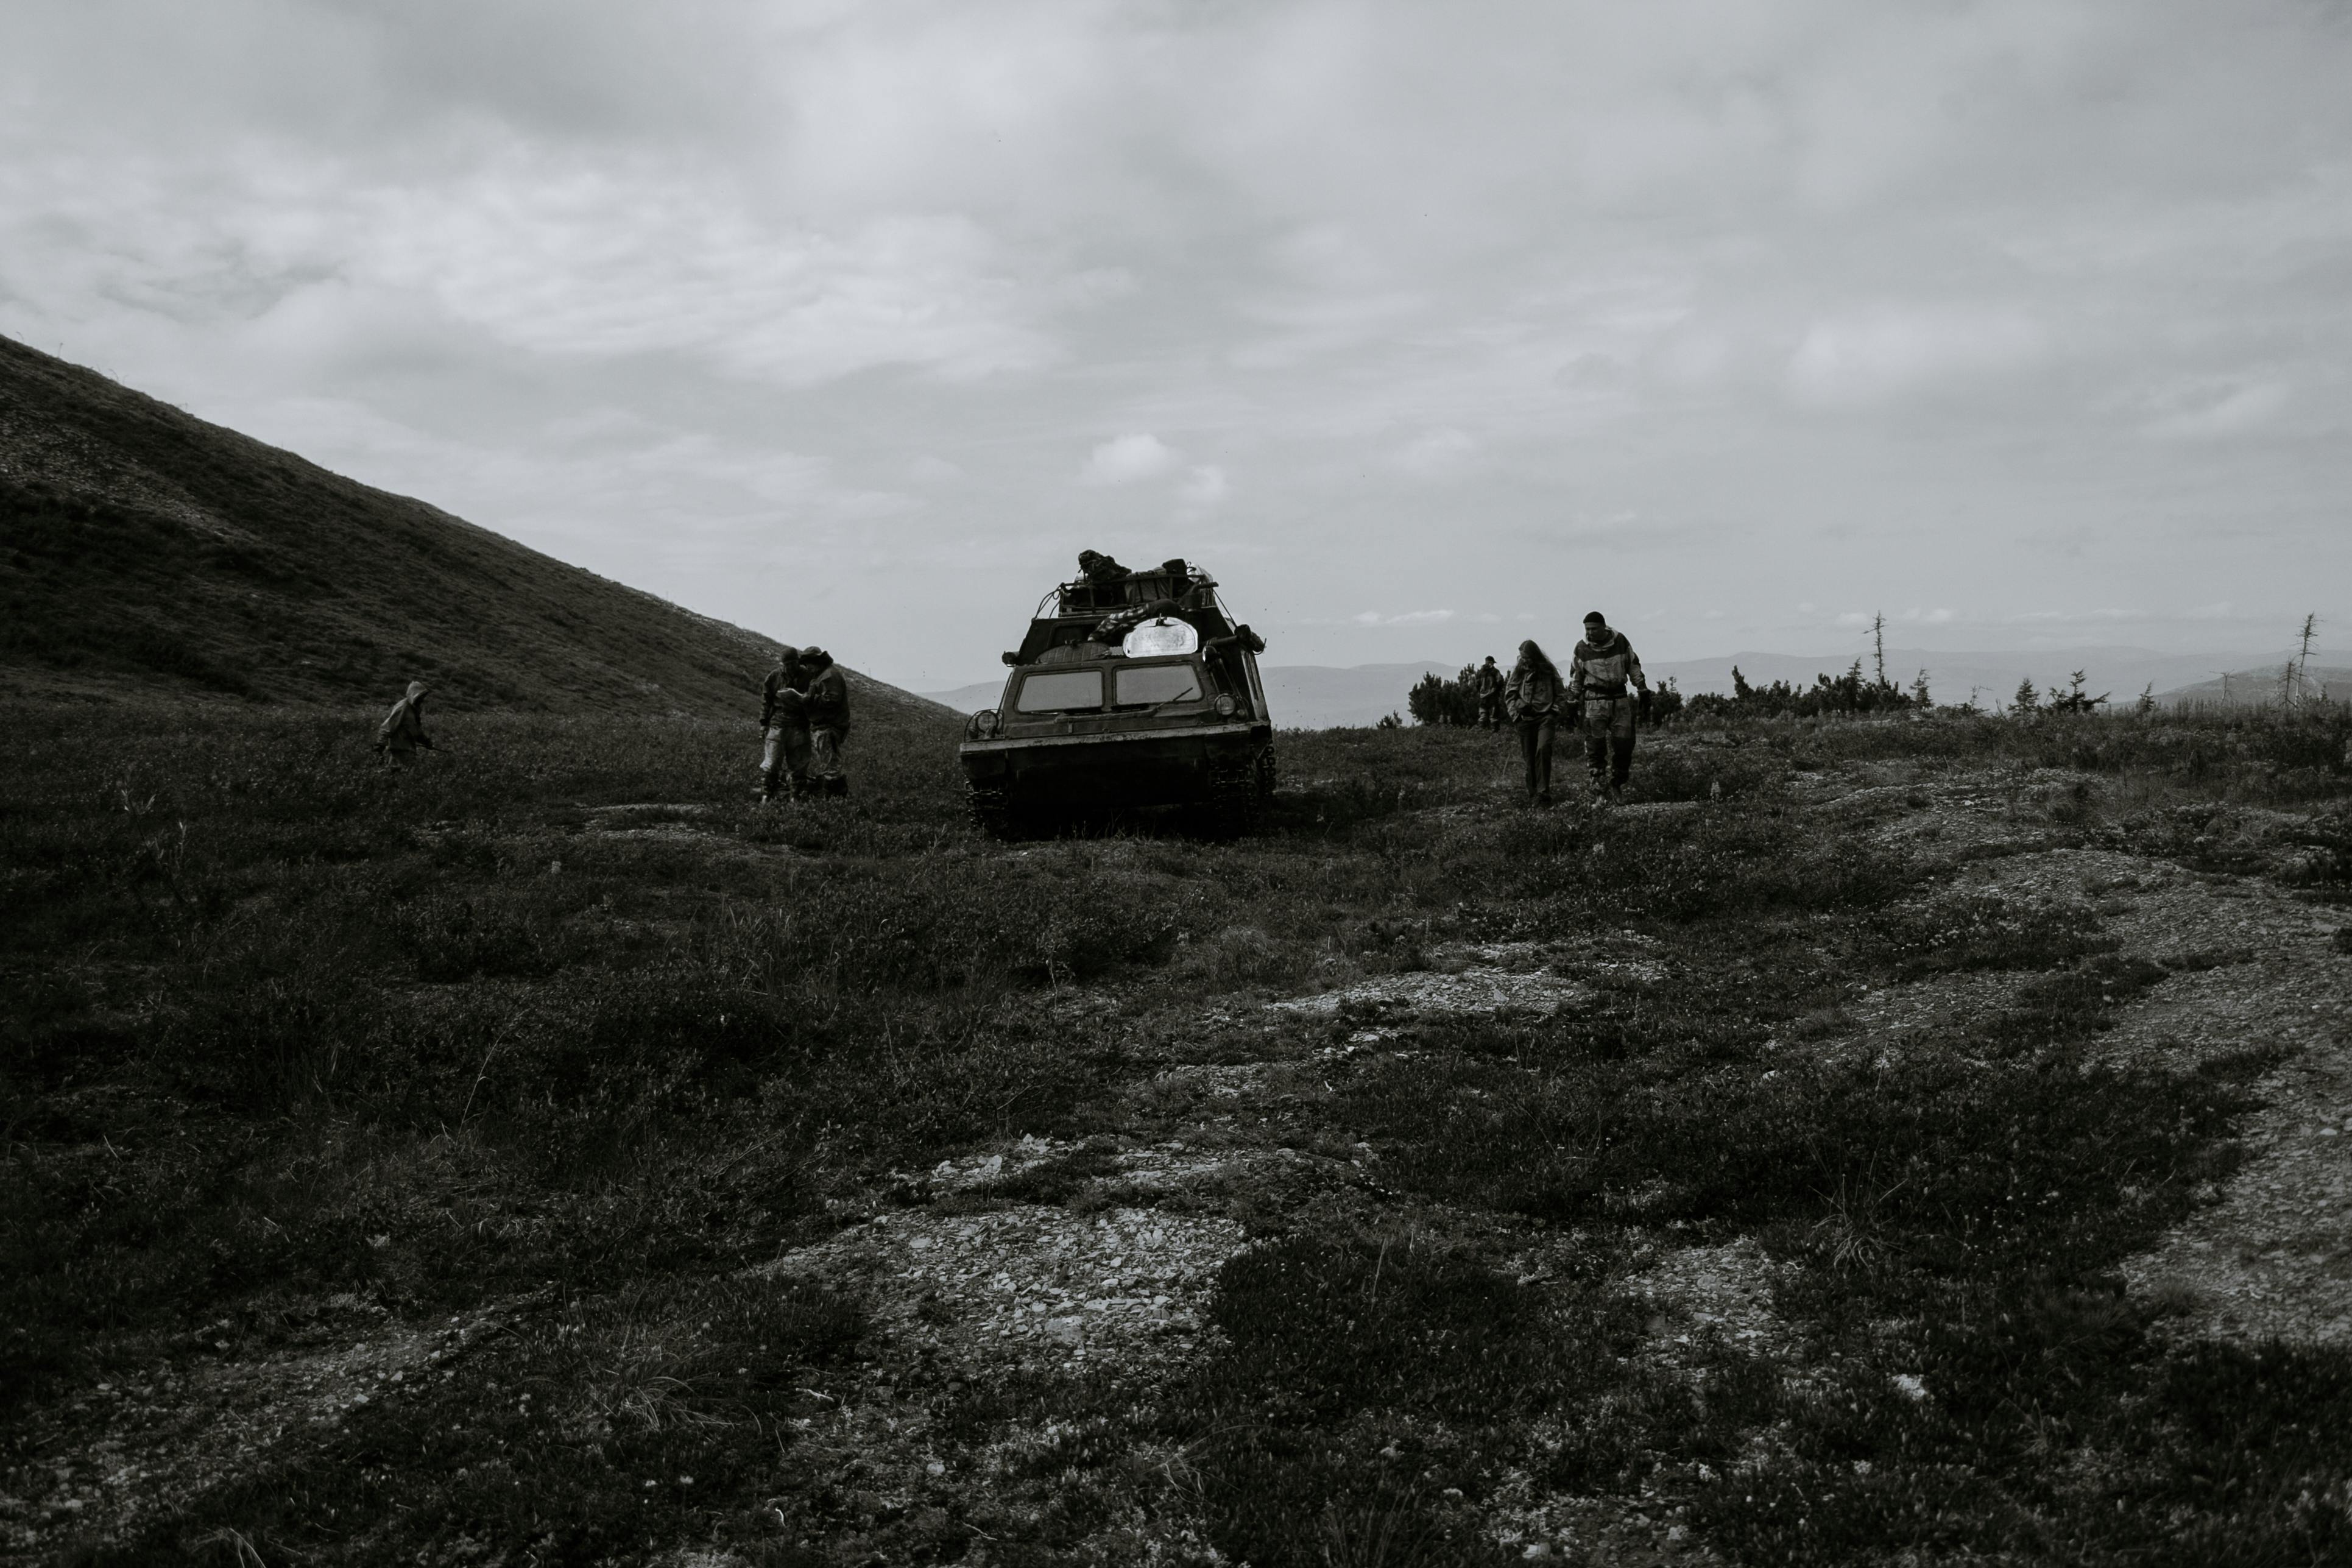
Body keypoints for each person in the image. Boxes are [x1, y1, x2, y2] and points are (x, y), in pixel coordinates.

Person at [1568, 610, 1650, 797]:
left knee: (1624, 745)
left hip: (1620, 700)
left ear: (1604, 628)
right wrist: (1573, 700)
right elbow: (1576, 677)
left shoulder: (1620, 642)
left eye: (1594, 629)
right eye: (1587, 630)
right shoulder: (1581, 648)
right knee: (1595, 747)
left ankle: (1617, 783)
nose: (1590, 633)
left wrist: (1642, 688)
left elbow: (1633, 665)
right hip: (1594, 702)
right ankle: (1599, 791)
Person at [1505, 641, 1564, 806]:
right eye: (1523, 658)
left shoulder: (1548, 671)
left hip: (1546, 718)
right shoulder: (1518, 672)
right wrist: (1516, 717)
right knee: (1529, 758)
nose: (1525, 661)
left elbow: (1561, 693)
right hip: (1525, 721)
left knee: (1543, 750)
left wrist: (1554, 712)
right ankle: (1533, 795)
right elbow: (1510, 695)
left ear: (1535, 656)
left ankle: (1544, 793)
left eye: (1528, 658)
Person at [758, 646, 812, 802]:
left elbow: (814, 700)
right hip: (778, 724)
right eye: (786, 664)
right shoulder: (774, 677)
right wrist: (763, 723)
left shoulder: (808, 677)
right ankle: (766, 795)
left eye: (793, 663)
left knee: (799, 764)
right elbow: (766, 701)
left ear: (798, 662)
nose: (790, 667)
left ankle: (795, 796)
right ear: (782, 664)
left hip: (800, 725)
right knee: (772, 762)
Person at [801, 648, 852, 797]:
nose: (807, 667)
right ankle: (834, 797)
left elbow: (831, 700)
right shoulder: (823, 675)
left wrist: (808, 699)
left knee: (830, 765)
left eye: (809, 663)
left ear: (817, 662)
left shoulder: (828, 676)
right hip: (824, 726)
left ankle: (834, 798)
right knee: (828, 763)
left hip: (828, 726)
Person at [373, 680, 433, 766]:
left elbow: (415, 731)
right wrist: (380, 745)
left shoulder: (414, 711)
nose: (422, 700)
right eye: (421, 697)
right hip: (400, 750)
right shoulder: (403, 707)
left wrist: (426, 742)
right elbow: (388, 726)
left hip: (407, 750)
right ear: (414, 695)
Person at [1472, 655, 1505, 730]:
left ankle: (1481, 733)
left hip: (1483, 698)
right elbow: (1500, 682)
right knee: (1494, 716)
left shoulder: (1480, 673)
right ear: (1491, 663)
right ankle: (1495, 734)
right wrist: (1498, 690)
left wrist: (1481, 692)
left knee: (1482, 716)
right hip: (1493, 697)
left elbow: (1477, 685)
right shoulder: (1495, 672)